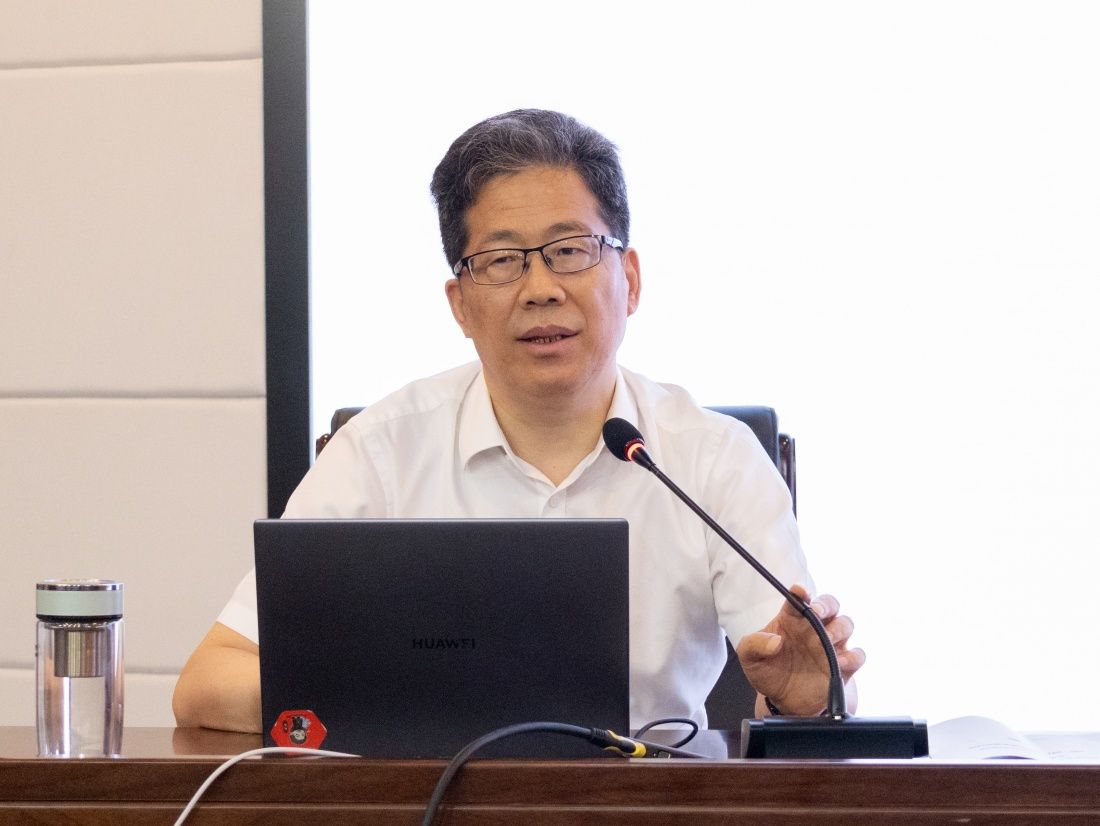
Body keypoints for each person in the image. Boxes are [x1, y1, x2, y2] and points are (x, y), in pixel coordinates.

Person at [173, 109, 864, 733]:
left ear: (629, 279)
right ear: (460, 304)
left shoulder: (712, 459)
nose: (540, 289)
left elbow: (804, 682)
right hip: (424, 805)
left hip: (649, 803)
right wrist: (409, 695)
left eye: (570, 250)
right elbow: (208, 683)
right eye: (502, 261)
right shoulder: (379, 453)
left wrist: (804, 696)